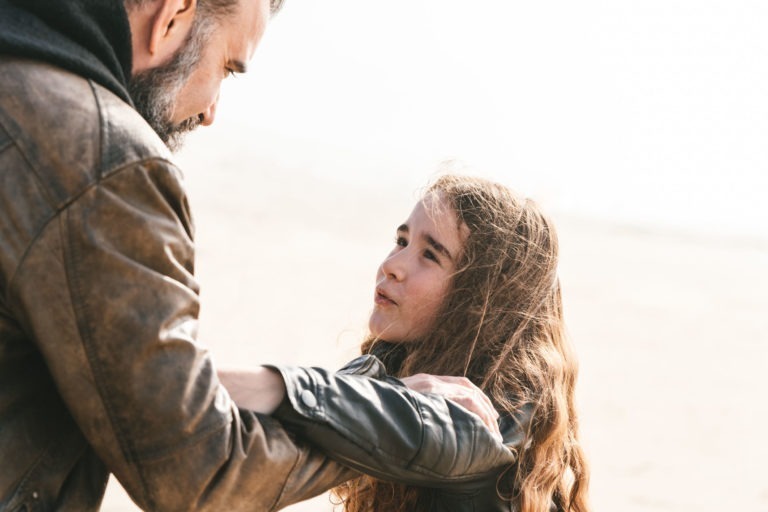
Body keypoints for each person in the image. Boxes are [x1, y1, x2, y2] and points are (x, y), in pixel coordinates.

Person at [0, 1, 511, 510]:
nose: (210, 111)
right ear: (171, 15)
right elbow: (199, 468)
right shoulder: (105, 160)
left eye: (429, 253)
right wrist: (403, 419)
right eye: (225, 68)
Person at [268, 175, 590, 511]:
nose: (391, 266)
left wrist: (274, 388)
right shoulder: (393, 362)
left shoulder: (491, 417)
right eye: (402, 240)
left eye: (431, 255)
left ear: (481, 298)